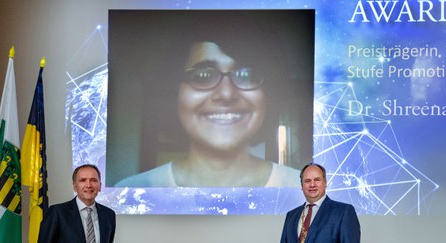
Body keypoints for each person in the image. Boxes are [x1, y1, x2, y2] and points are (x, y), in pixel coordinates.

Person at [109, 11, 314, 188]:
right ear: (175, 93)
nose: (226, 94)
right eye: (203, 76)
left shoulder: (303, 191)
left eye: (246, 75)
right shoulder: (133, 190)